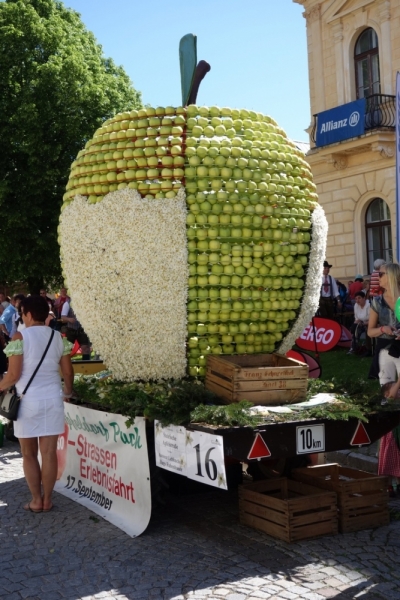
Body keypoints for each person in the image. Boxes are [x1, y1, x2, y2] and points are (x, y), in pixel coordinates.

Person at [0, 296, 73, 512]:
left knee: (29, 454)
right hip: (53, 400)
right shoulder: (59, 337)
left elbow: (13, 375)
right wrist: (68, 391)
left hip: (28, 402)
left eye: (22, 314)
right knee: (49, 453)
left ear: (29, 314)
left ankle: (36, 500)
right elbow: (68, 371)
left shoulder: (19, 337)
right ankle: (48, 499)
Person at [367, 263, 400, 492]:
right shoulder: (377, 301)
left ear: (392, 277)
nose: (378, 277)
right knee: (388, 401)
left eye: (382, 274)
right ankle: (389, 474)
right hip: (385, 353)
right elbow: (370, 331)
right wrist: (383, 330)